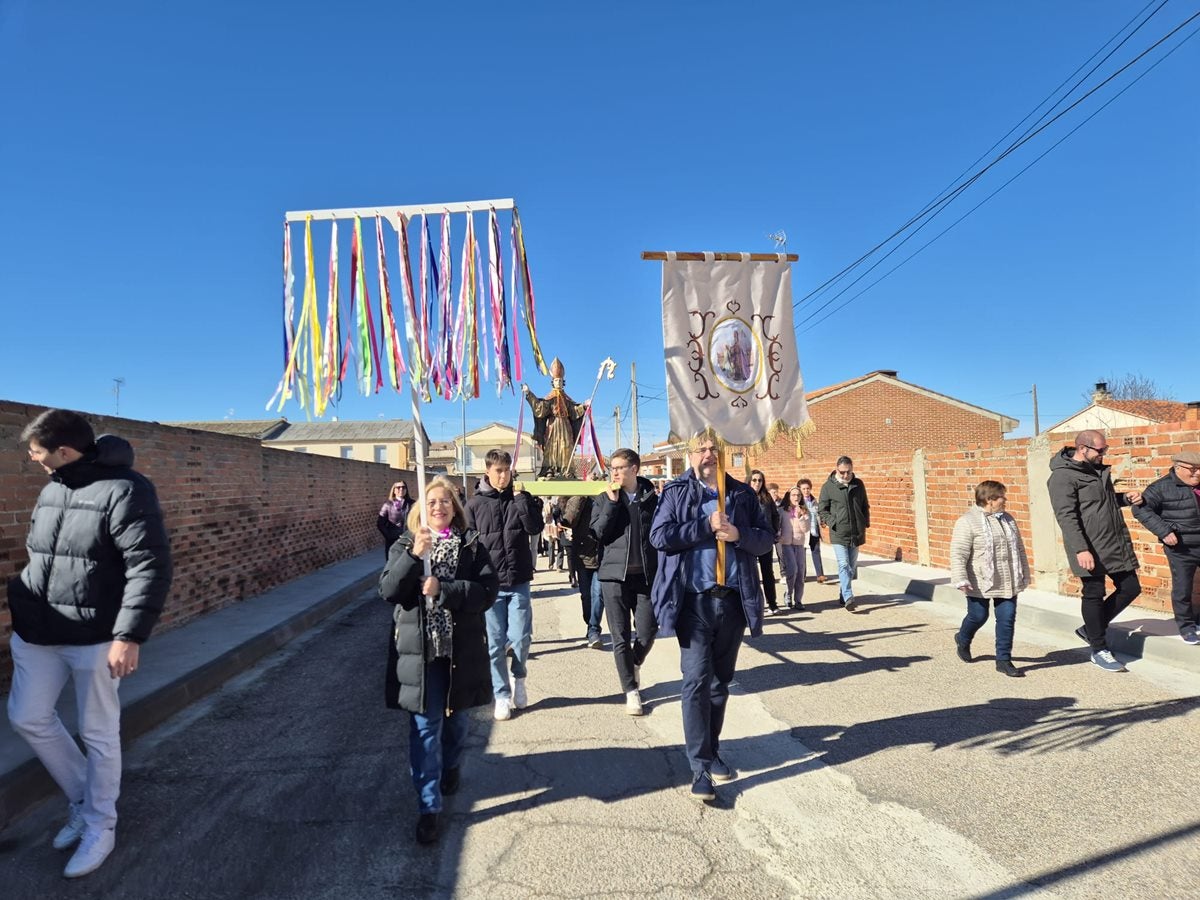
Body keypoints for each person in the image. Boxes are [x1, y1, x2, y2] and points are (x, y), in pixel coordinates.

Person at [7, 409, 173, 878]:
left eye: (38, 453)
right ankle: (83, 797)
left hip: (98, 638)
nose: (34, 460)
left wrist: (129, 636)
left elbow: (149, 566)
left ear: (63, 451)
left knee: (98, 732)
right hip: (38, 632)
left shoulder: (127, 490)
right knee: (27, 716)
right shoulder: (54, 485)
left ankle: (101, 822)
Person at [649, 438, 772, 801]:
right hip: (693, 603)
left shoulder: (742, 495)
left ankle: (713, 748)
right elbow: (660, 536)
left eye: (713, 449)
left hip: (732, 602)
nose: (708, 455)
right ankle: (699, 767)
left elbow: (766, 539)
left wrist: (739, 535)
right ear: (690, 454)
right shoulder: (675, 492)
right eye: (701, 448)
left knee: (720, 685)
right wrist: (704, 526)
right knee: (696, 682)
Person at [379, 476, 498, 845]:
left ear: (455, 507)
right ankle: (428, 808)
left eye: (445, 501)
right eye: (431, 502)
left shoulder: (471, 545)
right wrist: (415, 557)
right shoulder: (405, 544)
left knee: (457, 724)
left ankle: (451, 765)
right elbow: (389, 590)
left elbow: (487, 593)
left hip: (459, 652)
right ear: (421, 509)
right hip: (422, 655)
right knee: (425, 730)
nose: (439, 507)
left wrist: (444, 590)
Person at [1047, 430, 1143, 673]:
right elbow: (1066, 517)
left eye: (1105, 449)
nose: (1103, 454)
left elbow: (1103, 502)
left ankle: (1090, 629)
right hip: (1087, 546)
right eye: (1100, 450)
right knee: (1094, 593)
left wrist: (1124, 499)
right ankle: (1099, 649)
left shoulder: (1098, 471)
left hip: (1113, 542)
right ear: (1082, 448)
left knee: (1131, 587)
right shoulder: (1062, 477)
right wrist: (1081, 549)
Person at [464, 449, 543, 718]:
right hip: (490, 585)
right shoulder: (474, 505)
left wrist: (522, 502)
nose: (503, 475)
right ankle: (501, 694)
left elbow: (535, 528)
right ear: (487, 471)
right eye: (498, 471)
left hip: (519, 579)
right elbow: (467, 545)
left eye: (507, 470)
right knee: (495, 643)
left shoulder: (521, 498)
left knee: (521, 637)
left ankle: (518, 678)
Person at [592, 449, 659, 715]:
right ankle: (631, 690)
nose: (615, 472)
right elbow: (598, 532)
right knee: (619, 637)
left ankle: (634, 663)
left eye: (620, 467)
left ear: (635, 469)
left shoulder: (652, 498)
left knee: (647, 631)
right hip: (613, 577)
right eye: (612, 468)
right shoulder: (603, 499)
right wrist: (611, 503)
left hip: (645, 577)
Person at [949, 480, 1031, 677]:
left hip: (1007, 579)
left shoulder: (1008, 519)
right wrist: (961, 578)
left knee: (1007, 618)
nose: (1005, 500)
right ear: (990, 499)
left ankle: (1003, 660)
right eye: (1002, 496)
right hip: (979, 579)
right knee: (978, 616)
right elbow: (958, 553)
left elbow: (1019, 549)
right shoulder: (967, 521)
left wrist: (1024, 574)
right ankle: (963, 637)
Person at [1133, 450, 1200, 644]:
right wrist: (1163, 532)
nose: (1197, 474)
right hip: (1181, 548)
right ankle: (1186, 627)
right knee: (1183, 588)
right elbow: (1140, 509)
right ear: (1178, 467)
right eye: (1193, 470)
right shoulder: (1161, 488)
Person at [522, 357, 588, 478]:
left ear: (563, 382)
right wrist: (528, 393)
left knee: (566, 446)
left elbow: (573, 412)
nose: (558, 382)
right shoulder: (550, 397)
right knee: (551, 447)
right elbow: (540, 409)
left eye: (560, 380)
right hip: (552, 426)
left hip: (565, 426)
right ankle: (549, 469)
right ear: (553, 382)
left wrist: (584, 406)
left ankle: (566, 469)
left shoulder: (567, 398)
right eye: (556, 380)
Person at [818, 456, 870, 610]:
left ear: (852, 469)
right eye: (842, 472)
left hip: (856, 532)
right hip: (839, 533)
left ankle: (843, 593)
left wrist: (864, 522)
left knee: (851, 568)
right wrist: (833, 522)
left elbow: (864, 505)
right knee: (844, 564)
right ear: (836, 469)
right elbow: (822, 509)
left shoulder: (858, 484)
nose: (845, 475)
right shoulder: (828, 486)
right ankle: (848, 597)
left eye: (848, 472)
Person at [562, 492, 605, 649]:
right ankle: (590, 624)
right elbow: (569, 521)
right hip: (582, 555)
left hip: (602, 556)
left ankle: (594, 630)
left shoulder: (607, 497)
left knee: (598, 595)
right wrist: (578, 499)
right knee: (586, 596)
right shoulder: (578, 499)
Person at [749, 470, 782, 615]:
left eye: (760, 480)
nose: (757, 483)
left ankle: (772, 603)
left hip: (765, 539)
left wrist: (774, 531)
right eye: (754, 480)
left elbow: (775, 516)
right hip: (749, 540)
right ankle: (754, 604)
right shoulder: (743, 496)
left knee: (767, 572)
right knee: (751, 574)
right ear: (749, 481)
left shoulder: (767, 497)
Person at [778, 486, 810, 611]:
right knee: (793, 570)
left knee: (800, 573)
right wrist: (778, 535)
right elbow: (777, 525)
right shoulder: (782, 510)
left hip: (799, 544)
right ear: (789, 496)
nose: (796, 498)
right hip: (786, 544)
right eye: (793, 495)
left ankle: (798, 600)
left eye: (798, 495)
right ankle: (788, 594)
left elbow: (806, 529)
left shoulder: (804, 511)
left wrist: (801, 516)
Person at [798, 478, 826, 584]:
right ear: (800, 489)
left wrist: (822, 521)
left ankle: (820, 575)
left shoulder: (814, 501)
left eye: (808, 488)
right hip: (804, 532)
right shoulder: (799, 502)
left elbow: (819, 513)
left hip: (814, 530)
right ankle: (802, 575)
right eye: (804, 489)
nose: (806, 491)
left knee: (816, 552)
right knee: (802, 554)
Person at [377, 481, 414, 559]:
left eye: (403, 487)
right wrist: (389, 536)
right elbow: (380, 523)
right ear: (394, 490)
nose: (401, 489)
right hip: (393, 541)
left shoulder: (412, 504)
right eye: (398, 487)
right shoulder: (388, 505)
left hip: (409, 540)